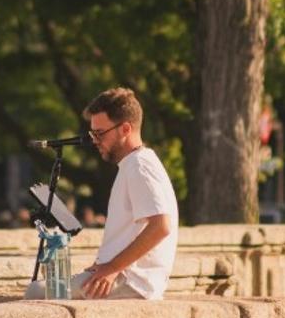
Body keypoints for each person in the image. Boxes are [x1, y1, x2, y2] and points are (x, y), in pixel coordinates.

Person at [26, 87, 178, 300]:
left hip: (130, 282)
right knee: (46, 286)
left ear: (125, 129)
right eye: (92, 133)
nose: (95, 140)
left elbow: (161, 226)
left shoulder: (139, 166)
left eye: (100, 133)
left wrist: (112, 268)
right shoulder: (134, 163)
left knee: (36, 292)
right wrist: (104, 265)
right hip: (123, 277)